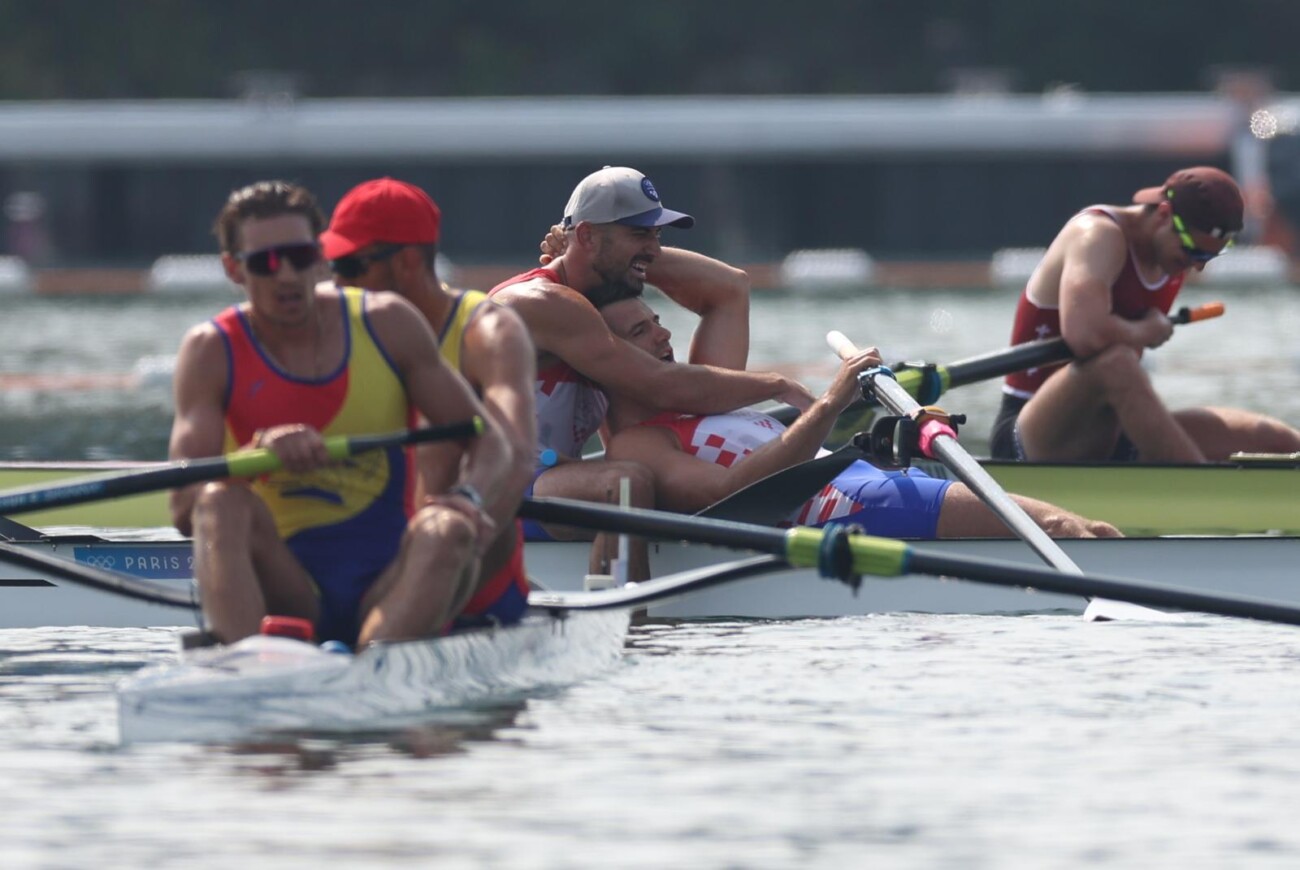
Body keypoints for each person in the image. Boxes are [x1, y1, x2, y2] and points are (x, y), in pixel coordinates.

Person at [168, 180, 512, 647]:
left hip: (388, 584)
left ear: (321, 255)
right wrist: (256, 455)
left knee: (449, 528)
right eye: (266, 262)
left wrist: (469, 496)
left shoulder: (387, 323)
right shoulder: (211, 350)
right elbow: (183, 506)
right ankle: (242, 664)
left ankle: (377, 657)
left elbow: (489, 439)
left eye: (301, 257)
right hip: (286, 588)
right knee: (218, 502)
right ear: (234, 269)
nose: (287, 276)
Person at [488, 166, 815, 577]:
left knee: (653, 465)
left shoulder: (594, 296)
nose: (655, 249)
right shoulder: (540, 303)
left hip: (552, 476)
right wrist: (780, 385)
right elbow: (663, 386)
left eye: (657, 235)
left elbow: (730, 286)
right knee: (629, 483)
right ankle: (628, 612)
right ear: (588, 236)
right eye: (640, 234)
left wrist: (613, 256)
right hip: (492, 486)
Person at [595, 291, 1119, 539]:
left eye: (657, 320)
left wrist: (621, 259)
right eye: (641, 331)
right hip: (849, 506)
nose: (663, 334)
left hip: (877, 484)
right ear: (606, 360)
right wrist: (831, 403)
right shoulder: (638, 443)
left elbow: (725, 287)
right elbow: (726, 492)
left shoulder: (702, 397)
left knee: (1092, 531)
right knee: (1068, 530)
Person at [318, 177, 537, 625]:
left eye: (351, 266)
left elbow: (515, 455)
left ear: (407, 262)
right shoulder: (341, 329)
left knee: (442, 441)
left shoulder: (488, 333)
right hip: (372, 565)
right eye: (331, 266)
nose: (337, 282)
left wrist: (466, 514)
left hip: (465, 568)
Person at [990, 166, 1300, 463]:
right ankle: (1201, 488)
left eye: (1209, 256)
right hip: (1032, 434)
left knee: (1277, 441)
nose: (1197, 266)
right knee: (1116, 363)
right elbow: (1085, 335)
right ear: (1164, 214)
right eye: (1193, 251)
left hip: (1111, 429)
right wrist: (1144, 331)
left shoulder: (1171, 254)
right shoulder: (1097, 235)